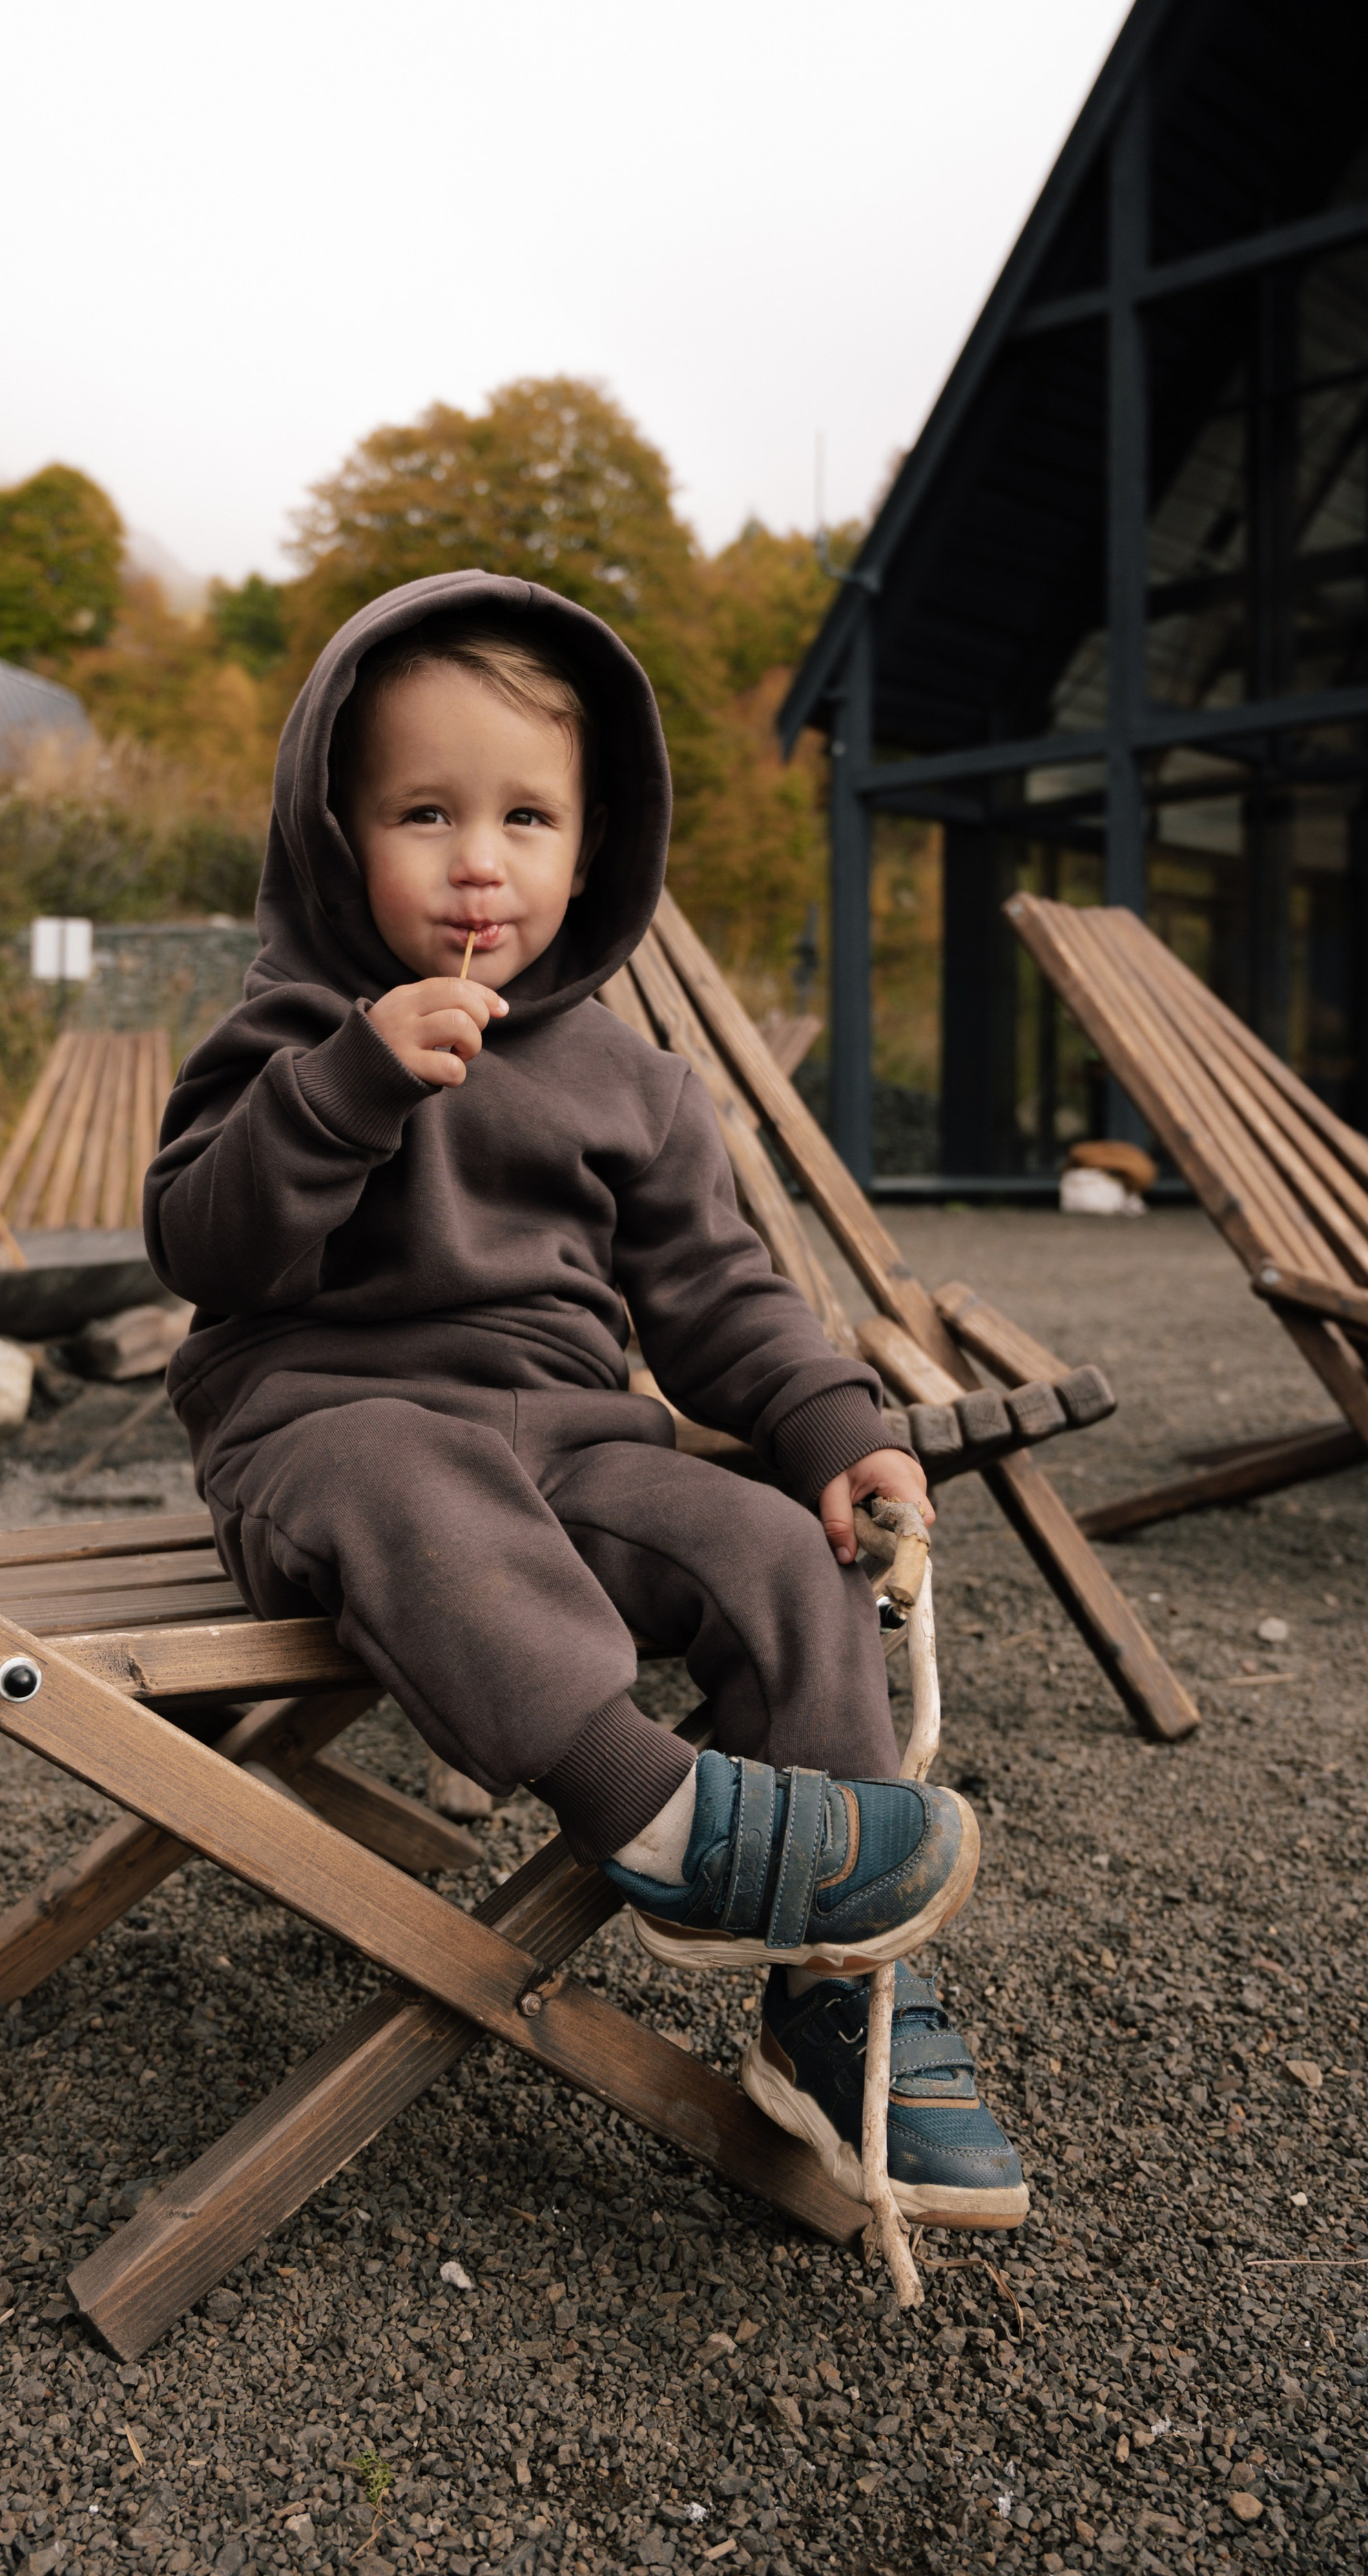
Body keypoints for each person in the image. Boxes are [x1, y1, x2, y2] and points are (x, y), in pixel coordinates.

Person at [144, 570, 1025, 2229]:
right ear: (334, 832)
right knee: (410, 1466)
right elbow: (203, 1243)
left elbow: (716, 1296)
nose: (479, 859)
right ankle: (656, 1810)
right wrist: (339, 1088)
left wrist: (838, 1431)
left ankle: (836, 2006)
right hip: (324, 1434)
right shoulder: (289, 1030)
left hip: (561, 1439)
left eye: (525, 815)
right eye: (423, 810)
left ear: (591, 839)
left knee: (769, 1547)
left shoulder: (631, 1077)